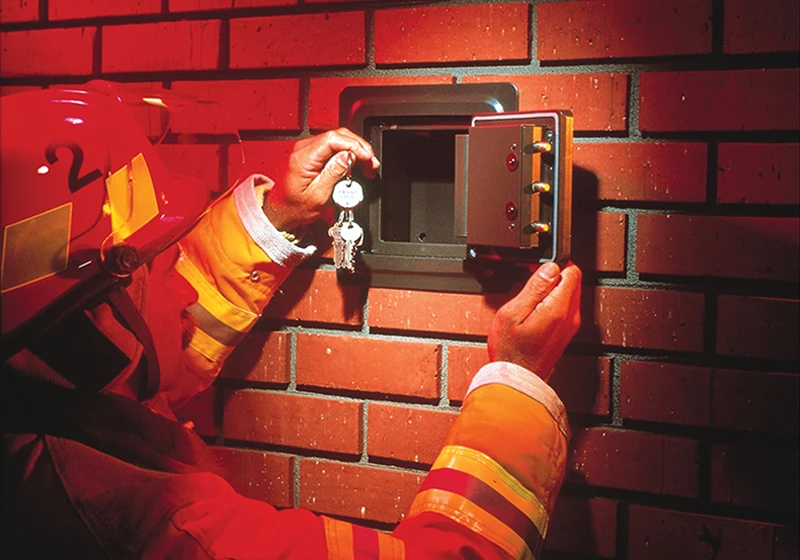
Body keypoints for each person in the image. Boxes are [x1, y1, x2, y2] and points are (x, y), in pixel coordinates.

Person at [1, 82, 582, 559]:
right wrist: (516, 380)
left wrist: (276, 217)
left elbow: (156, 351)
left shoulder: (46, 397)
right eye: (163, 258)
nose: (179, 283)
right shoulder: (167, 534)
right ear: (97, 320)